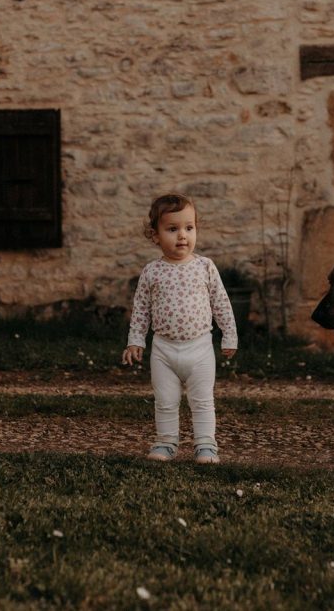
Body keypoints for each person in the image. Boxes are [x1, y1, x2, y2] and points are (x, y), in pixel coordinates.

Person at [121, 193, 237, 464]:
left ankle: (206, 445)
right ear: (155, 235)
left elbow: (221, 303)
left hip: (199, 348)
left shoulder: (205, 267)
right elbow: (141, 310)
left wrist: (229, 335)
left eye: (189, 228)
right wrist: (135, 340)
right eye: (172, 229)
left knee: (202, 401)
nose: (182, 236)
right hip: (163, 349)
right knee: (165, 400)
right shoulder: (152, 271)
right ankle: (166, 443)